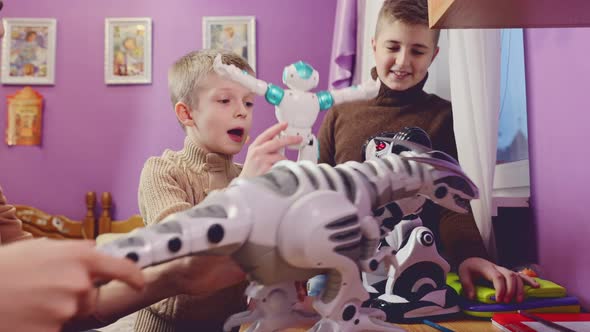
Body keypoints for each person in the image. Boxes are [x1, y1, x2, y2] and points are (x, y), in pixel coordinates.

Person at [317, 0, 538, 304]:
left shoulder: (445, 117)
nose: (403, 61)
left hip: (417, 275)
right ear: (374, 45)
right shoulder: (339, 114)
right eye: (392, 47)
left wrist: (471, 256)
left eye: (417, 51)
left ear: (433, 56)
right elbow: (319, 200)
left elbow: (451, 205)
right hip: (344, 277)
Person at [134, 48, 302, 331]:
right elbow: (180, 244)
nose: (241, 111)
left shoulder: (247, 178)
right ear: (187, 113)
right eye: (225, 100)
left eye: (248, 103)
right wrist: (244, 186)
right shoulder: (161, 171)